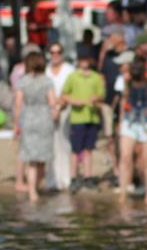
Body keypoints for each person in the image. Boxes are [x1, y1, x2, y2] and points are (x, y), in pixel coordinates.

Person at [13, 51, 58, 202]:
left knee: (31, 159)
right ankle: (37, 186)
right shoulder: (47, 81)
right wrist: (55, 112)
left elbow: (18, 105)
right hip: (44, 119)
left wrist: (16, 125)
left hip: (29, 119)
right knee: (42, 158)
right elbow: (52, 103)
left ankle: (32, 191)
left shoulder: (23, 81)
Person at [118, 58, 147, 204]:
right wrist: (120, 120)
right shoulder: (128, 79)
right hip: (130, 119)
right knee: (125, 157)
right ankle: (123, 193)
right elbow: (124, 98)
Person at [62, 49, 105, 192]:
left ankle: (88, 176)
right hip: (77, 118)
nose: (84, 63)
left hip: (92, 116)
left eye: (87, 60)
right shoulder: (73, 77)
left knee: (89, 149)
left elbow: (101, 95)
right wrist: (74, 101)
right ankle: (73, 177)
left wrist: (96, 99)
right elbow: (64, 94)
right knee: (76, 149)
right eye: (82, 60)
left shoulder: (96, 77)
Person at [45, 42, 73, 191]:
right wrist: (52, 106)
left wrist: (59, 105)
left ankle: (65, 178)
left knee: (63, 142)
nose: (55, 55)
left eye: (58, 52)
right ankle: (51, 178)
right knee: (50, 144)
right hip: (48, 109)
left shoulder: (69, 70)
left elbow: (70, 90)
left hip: (65, 108)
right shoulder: (46, 70)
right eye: (52, 52)